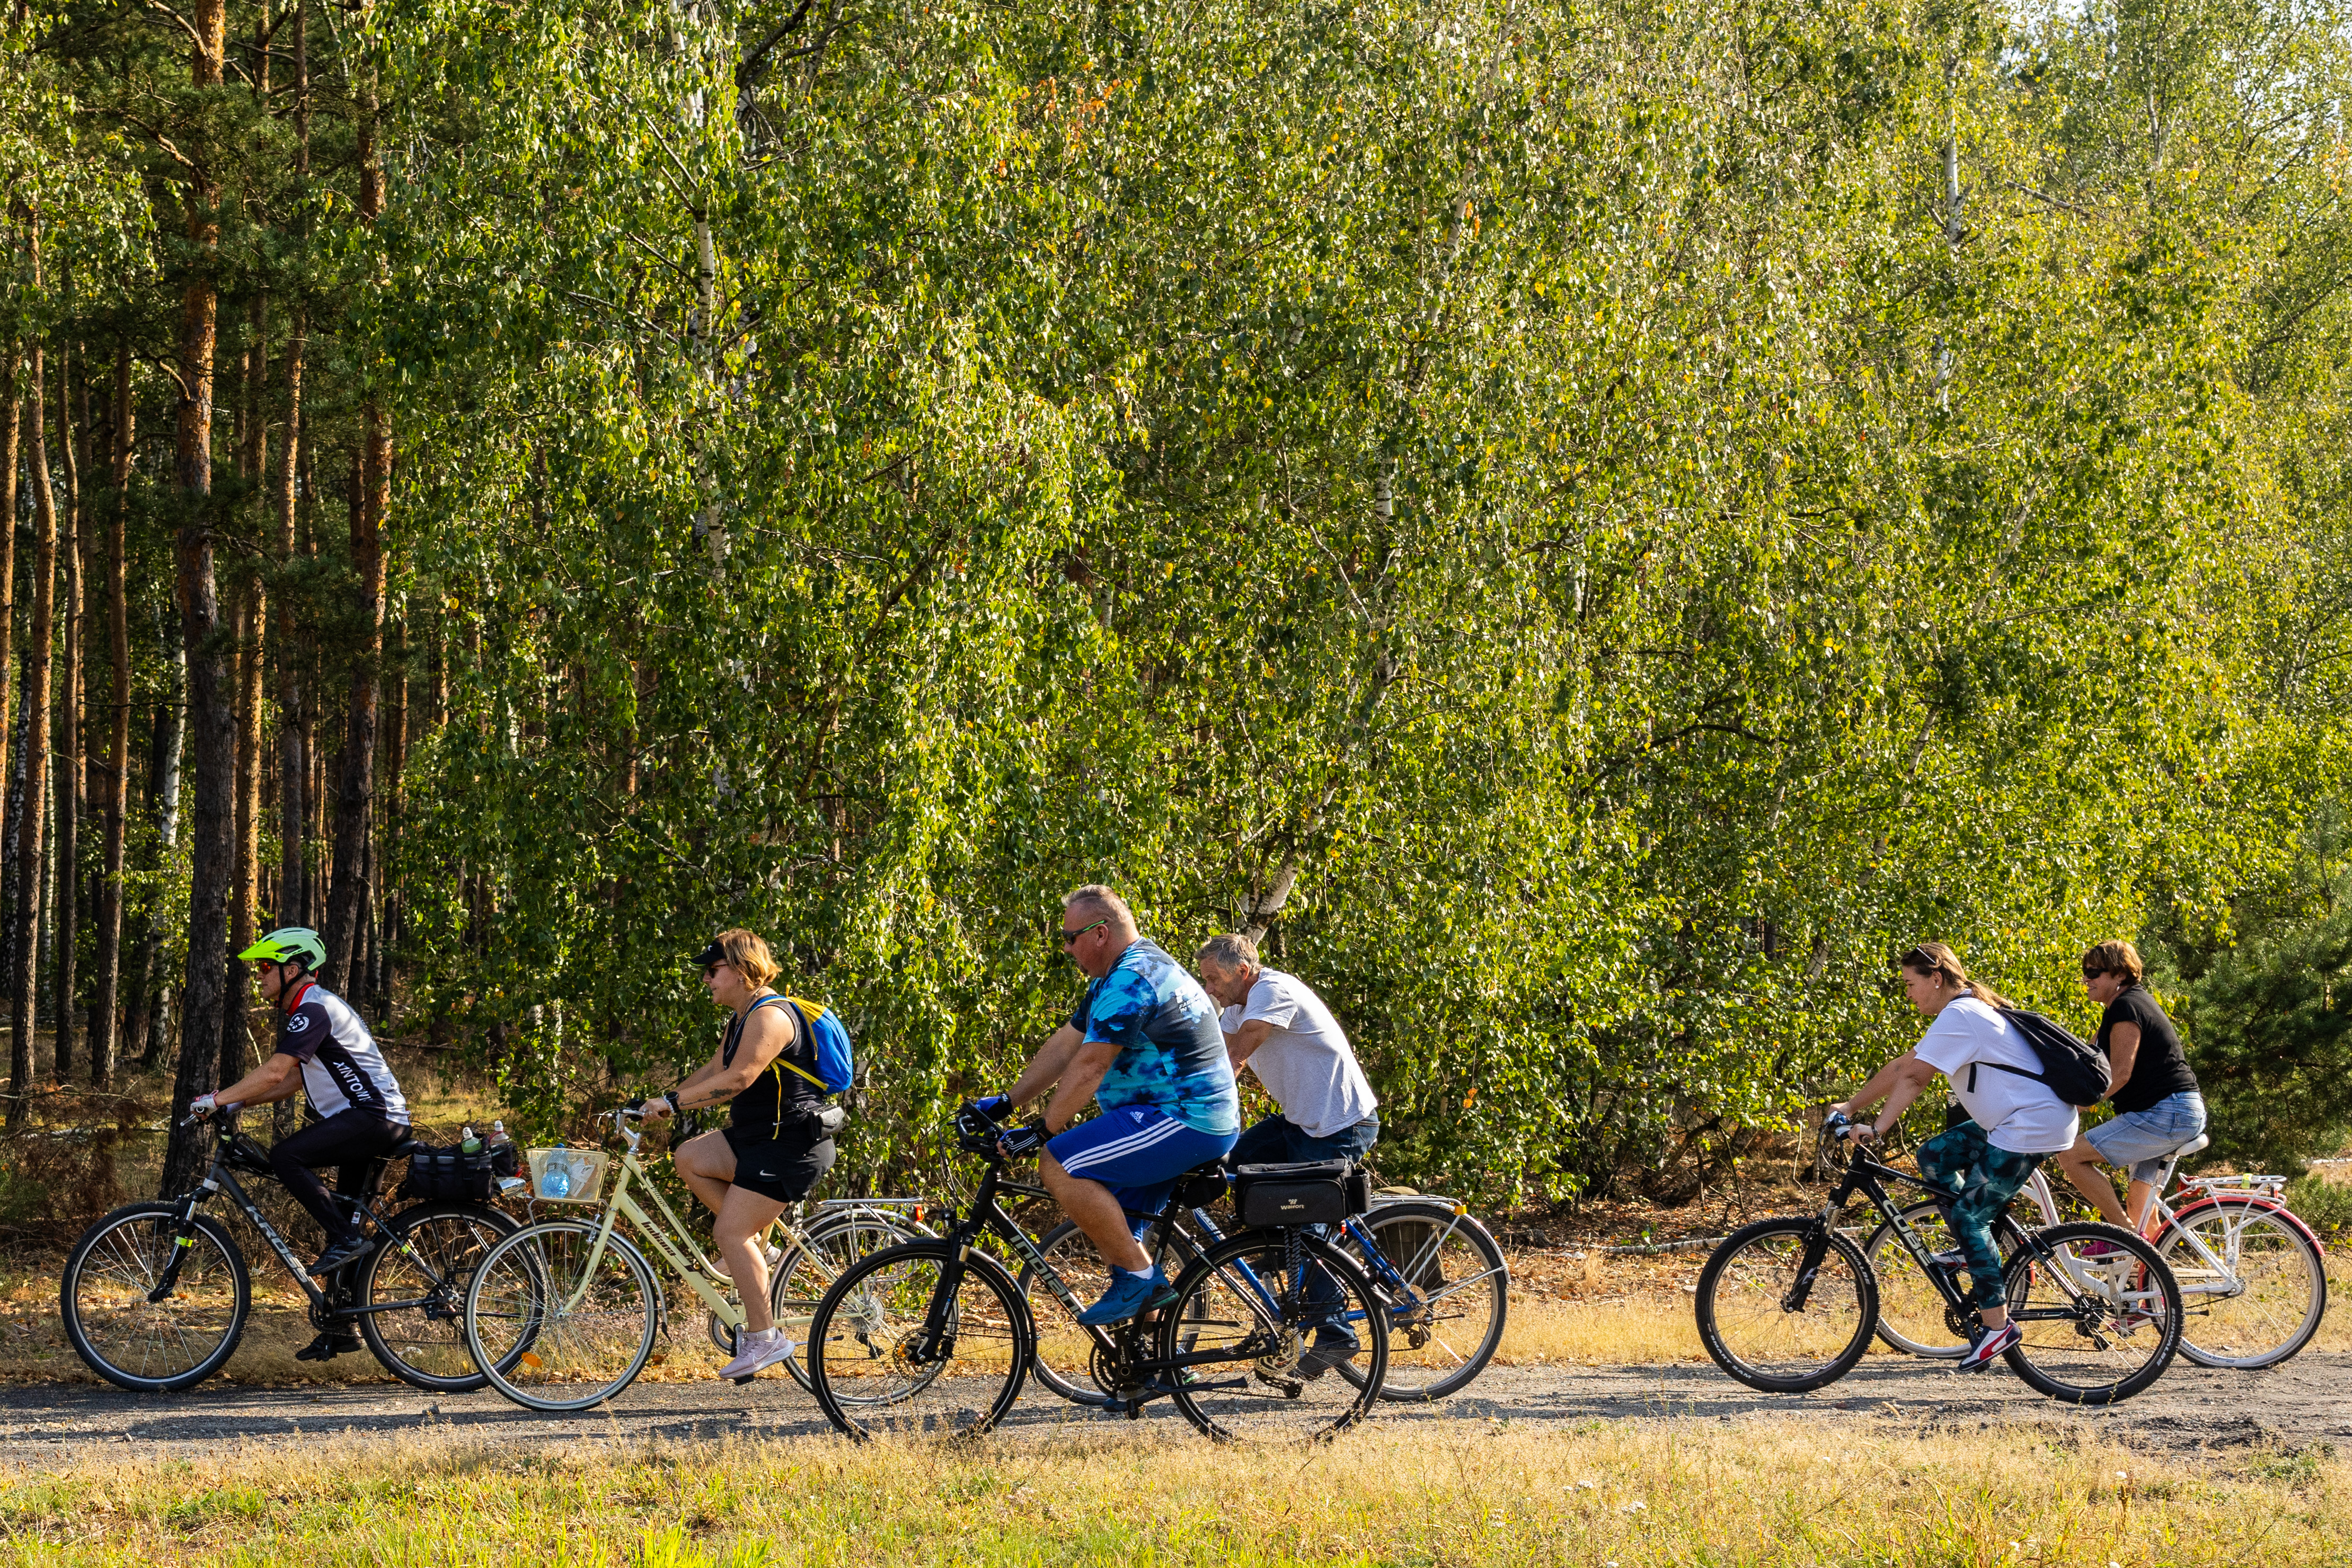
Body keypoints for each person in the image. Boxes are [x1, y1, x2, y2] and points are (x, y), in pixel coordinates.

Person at [982, 885, 1239, 1325]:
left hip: (1184, 1119)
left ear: (1100, 933)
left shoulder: (1132, 980)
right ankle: (1152, 1360)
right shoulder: (1115, 975)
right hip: (1167, 1119)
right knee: (1120, 1242)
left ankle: (1142, 1280)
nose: (1066, 947)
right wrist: (1006, 1103)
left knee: (1059, 1163)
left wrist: (1043, 1130)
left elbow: (1089, 1067)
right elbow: (1066, 1045)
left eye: (1070, 937)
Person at [1827, 942, 2080, 1372]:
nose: (1908, 993)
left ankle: (1998, 1325)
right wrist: (1849, 1107)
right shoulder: (1962, 1012)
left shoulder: (1961, 1015)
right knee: (1935, 1155)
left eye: (1911, 984)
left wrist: (1878, 1127)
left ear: (1937, 978)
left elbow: (1915, 1078)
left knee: (1969, 1216)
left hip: (2032, 1124)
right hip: (2012, 1120)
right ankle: (1978, 1250)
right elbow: (1901, 1066)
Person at [191, 927, 411, 1363]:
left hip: (372, 1119)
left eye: (266, 967)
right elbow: (292, 1079)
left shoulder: (311, 1009)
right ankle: (340, 1327)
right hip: (375, 1121)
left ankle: (344, 1238)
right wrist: (237, 1104)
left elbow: (275, 1071)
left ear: (293, 969)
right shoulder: (313, 1007)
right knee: (346, 1215)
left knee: (286, 1156)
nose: (260, 976)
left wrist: (218, 1098)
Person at [639, 929, 838, 1381]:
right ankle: (756, 1249)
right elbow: (715, 1071)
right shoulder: (740, 1019)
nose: (706, 979)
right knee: (690, 1156)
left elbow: (739, 1079)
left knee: (728, 1231)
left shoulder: (772, 1018)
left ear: (742, 969)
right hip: (756, 1138)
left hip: (790, 1145)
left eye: (713, 971)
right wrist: (664, 1098)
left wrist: (672, 1105)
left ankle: (765, 1337)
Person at [1194, 932, 1379, 1376]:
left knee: (1306, 1228)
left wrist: (1198, 1109)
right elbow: (1210, 1056)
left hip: (1340, 1124)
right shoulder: (1237, 1005)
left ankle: (1336, 1333)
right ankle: (1278, 1281)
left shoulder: (1273, 991)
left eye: (1214, 979)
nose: (1209, 989)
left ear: (1243, 971)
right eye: (1204, 980)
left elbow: (1235, 1057)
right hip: (1301, 1123)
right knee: (1226, 1160)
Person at [2052, 938, 2206, 1240]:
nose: (2086, 979)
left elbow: (2120, 1073)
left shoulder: (2126, 1007)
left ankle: (2122, 1238)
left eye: (2094, 972)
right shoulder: (2123, 1006)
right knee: (2140, 1209)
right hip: (2175, 1112)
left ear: (2120, 974)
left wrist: (2077, 1104)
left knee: (2069, 1156)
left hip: (2167, 1113)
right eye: (2085, 972)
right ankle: (2153, 1278)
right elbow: (2088, 1061)